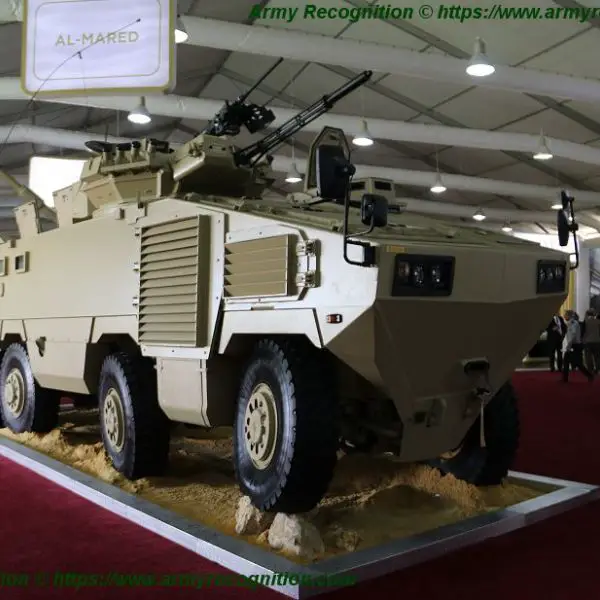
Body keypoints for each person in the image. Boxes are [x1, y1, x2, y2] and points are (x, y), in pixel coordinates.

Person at [562, 310, 594, 382]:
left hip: (575, 346)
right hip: (572, 345)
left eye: (565, 315)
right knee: (566, 361)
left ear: (569, 315)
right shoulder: (569, 323)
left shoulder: (574, 323)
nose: (564, 316)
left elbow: (573, 336)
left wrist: (568, 346)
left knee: (579, 364)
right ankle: (565, 379)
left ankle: (590, 375)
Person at [582, 309, 600, 373]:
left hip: (587, 341)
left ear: (587, 314)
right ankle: (597, 369)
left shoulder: (586, 321)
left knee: (588, 357)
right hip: (597, 341)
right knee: (597, 356)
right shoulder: (598, 321)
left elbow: (583, 331)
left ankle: (590, 369)